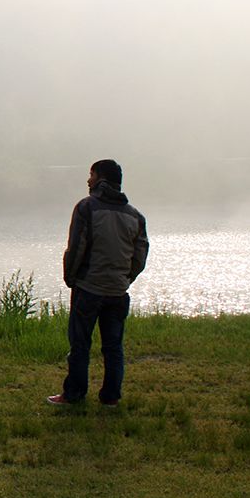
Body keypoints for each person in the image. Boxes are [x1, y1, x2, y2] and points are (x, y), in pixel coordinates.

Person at [47, 159, 149, 407]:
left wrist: (72, 278)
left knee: (80, 344)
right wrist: (126, 278)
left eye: (91, 175)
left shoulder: (86, 208)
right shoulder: (135, 216)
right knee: (113, 347)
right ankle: (111, 398)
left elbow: (77, 248)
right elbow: (140, 255)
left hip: (89, 289)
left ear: (100, 179)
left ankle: (73, 395)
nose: (88, 180)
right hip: (117, 292)